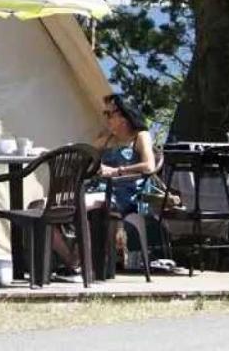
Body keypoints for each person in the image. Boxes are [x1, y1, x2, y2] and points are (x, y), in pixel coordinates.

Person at [50, 90, 156, 279]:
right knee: (43, 208)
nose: (106, 118)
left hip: (122, 196)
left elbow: (149, 166)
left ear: (124, 116)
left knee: (77, 205)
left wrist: (116, 171)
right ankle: (74, 261)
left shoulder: (140, 136)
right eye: (104, 113)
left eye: (109, 113)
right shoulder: (106, 138)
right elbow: (84, 157)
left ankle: (84, 264)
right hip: (97, 191)